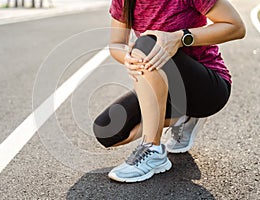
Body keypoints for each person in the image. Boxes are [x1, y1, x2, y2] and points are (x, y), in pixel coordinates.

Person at [93, 0, 245, 183]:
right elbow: (117, 44)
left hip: (208, 88)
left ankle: (152, 150)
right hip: (164, 89)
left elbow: (236, 27)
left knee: (147, 45)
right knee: (107, 130)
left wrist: (180, 38)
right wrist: (127, 57)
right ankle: (183, 117)